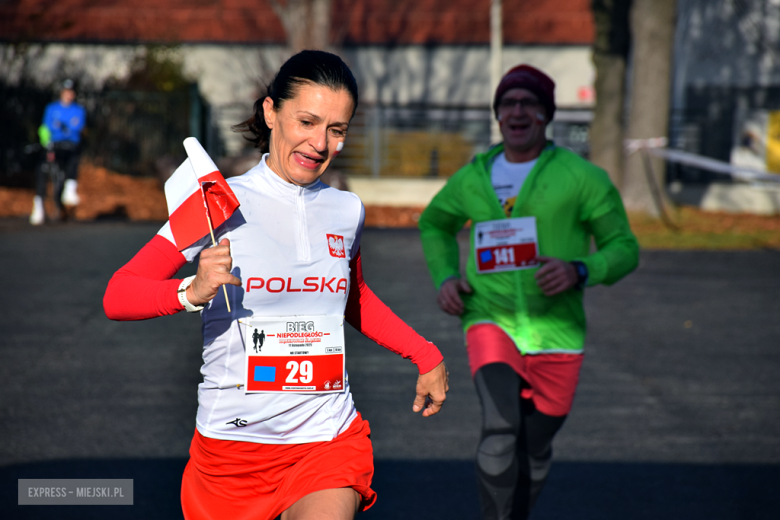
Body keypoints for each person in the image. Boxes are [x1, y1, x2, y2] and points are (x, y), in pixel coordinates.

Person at [103, 51, 448, 520]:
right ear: (271, 112)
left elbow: (354, 297)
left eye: (337, 129)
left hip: (325, 440)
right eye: (307, 121)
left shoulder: (346, 210)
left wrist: (425, 354)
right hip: (231, 454)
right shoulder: (216, 202)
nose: (319, 143)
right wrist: (190, 292)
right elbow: (119, 294)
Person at [418, 64, 639, 520]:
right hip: (489, 318)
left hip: (558, 333)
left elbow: (625, 249)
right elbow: (435, 223)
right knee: (499, 431)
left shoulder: (583, 178)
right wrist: (446, 276)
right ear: (498, 116)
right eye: (508, 103)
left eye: (528, 103)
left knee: (533, 447)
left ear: (546, 115)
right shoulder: (473, 177)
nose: (517, 111)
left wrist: (581, 269)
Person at [30, 78, 86, 225]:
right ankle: (39, 205)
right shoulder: (51, 108)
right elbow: (47, 127)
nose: (68, 94)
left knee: (73, 157)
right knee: (42, 168)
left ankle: (70, 188)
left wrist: (60, 126)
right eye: (66, 91)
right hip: (53, 145)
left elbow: (76, 128)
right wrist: (62, 129)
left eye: (71, 91)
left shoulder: (78, 110)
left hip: (71, 146)